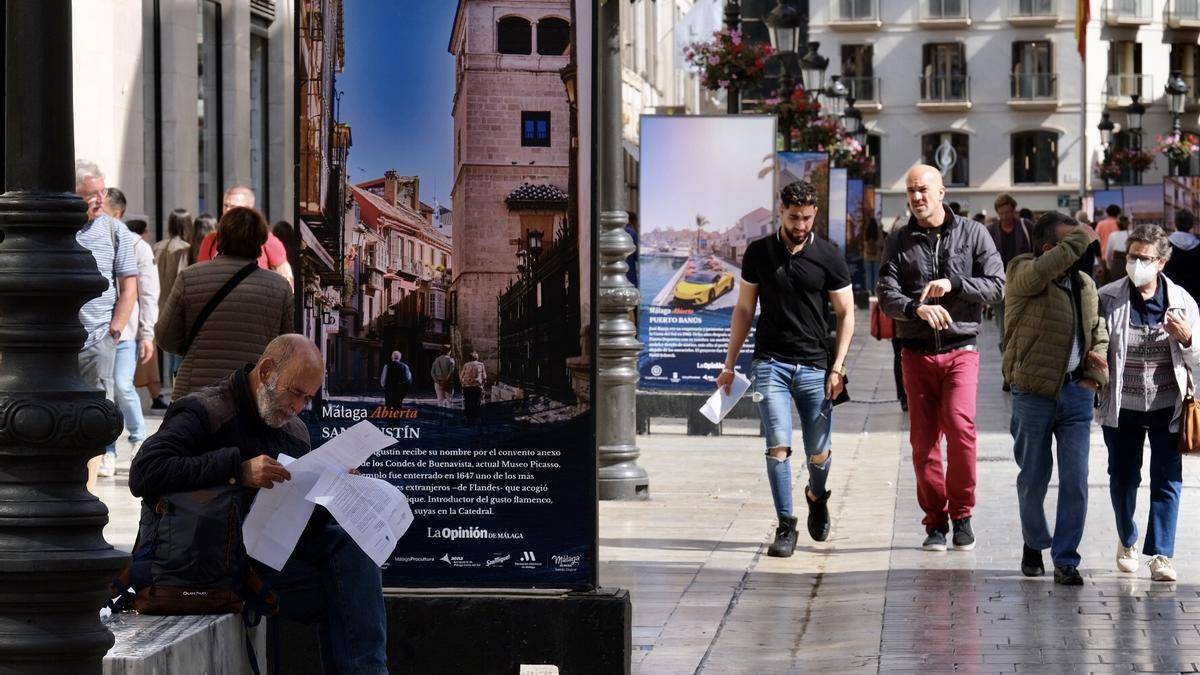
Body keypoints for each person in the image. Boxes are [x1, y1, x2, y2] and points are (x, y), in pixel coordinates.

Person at [128, 335, 389, 673]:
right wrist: (237, 471)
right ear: (267, 371)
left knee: (354, 550)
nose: (298, 407)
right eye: (295, 393)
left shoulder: (293, 431)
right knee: (341, 600)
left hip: (261, 554)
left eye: (307, 399)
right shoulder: (206, 410)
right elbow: (145, 472)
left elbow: (302, 519)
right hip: (199, 560)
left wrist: (334, 489)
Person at [717, 180, 854, 557]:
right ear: (781, 211)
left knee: (819, 451)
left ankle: (816, 495)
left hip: (815, 365)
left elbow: (846, 314)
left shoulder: (829, 256)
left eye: (807, 218)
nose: (800, 225)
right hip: (770, 363)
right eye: (794, 217)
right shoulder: (759, 252)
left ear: (815, 215)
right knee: (778, 445)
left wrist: (838, 368)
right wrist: (729, 364)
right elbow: (744, 310)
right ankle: (785, 525)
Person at [877, 164, 1005, 552]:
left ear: (942, 191)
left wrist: (956, 284)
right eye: (911, 191)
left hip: (960, 347)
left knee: (960, 427)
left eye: (923, 190)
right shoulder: (898, 240)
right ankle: (935, 521)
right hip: (915, 351)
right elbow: (885, 291)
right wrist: (916, 308)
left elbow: (998, 285)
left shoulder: (974, 233)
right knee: (923, 441)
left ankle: (962, 513)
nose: (917, 197)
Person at [1003, 213, 1108, 585]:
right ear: (1050, 248)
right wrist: (1082, 235)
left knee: (1076, 479)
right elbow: (1038, 272)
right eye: (1069, 244)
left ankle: (1066, 559)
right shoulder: (1022, 270)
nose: (1077, 252)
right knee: (1033, 478)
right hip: (1032, 392)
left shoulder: (1083, 284)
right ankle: (1034, 542)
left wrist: (1095, 378)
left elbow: (1098, 331)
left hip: (1076, 393)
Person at [1098, 224, 1200, 583]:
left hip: (1167, 407)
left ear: (1161, 262)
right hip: (1122, 406)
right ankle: (1127, 539)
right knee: (1122, 478)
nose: (1136, 264)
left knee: (1167, 479)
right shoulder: (1108, 298)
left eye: (1144, 258)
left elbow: (1198, 359)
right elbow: (1096, 346)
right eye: (1132, 257)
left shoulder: (1182, 302)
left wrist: (1187, 339)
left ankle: (1161, 554)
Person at [156, 207, 293, 399]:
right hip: (251, 393)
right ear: (260, 241)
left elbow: (165, 338)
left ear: (219, 238)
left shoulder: (190, 277)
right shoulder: (280, 287)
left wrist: (196, 345)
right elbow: (287, 348)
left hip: (196, 392)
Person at [75, 161, 139, 491]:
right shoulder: (58, 226)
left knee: (95, 416)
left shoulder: (116, 232)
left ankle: (86, 491)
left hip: (99, 338)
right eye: (92, 194)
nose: (100, 199)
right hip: (56, 340)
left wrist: (114, 331)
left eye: (102, 191)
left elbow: (129, 285)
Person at [101, 210, 160, 478]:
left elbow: (147, 291)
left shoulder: (136, 246)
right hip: (96, 334)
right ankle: (108, 451)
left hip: (123, 333)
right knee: (104, 394)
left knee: (123, 386)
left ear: (115, 212)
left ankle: (138, 436)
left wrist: (147, 333)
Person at [194, 186, 293, 288]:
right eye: (225, 205)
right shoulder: (210, 240)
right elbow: (200, 277)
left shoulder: (267, 240)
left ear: (249, 210)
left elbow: (286, 281)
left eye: (233, 207)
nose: (227, 211)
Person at [153, 208, 194, 402]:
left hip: (158, 309)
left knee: (170, 354)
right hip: (178, 310)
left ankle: (173, 392)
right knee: (178, 357)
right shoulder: (185, 249)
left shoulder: (157, 247)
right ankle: (177, 395)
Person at [987, 194, 1033, 361]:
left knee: (1024, 326)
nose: (1005, 217)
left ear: (1014, 210)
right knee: (1003, 329)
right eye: (1001, 213)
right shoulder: (991, 231)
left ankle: (1020, 364)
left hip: (1024, 283)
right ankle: (1008, 367)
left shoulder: (1026, 226)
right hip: (1000, 285)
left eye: (1008, 212)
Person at [1164, 209, 1200, 302]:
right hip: (1195, 297)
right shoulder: (1198, 245)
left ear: (1175, 223)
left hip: (1171, 296)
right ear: (1191, 225)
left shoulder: (1165, 244)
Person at [460, 352, 487, 422]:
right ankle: (476, 417)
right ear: (477, 358)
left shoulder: (465, 365)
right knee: (477, 401)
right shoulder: (481, 365)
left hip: (467, 386)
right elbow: (484, 376)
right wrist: (483, 383)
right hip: (477, 386)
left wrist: (463, 383)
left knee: (468, 401)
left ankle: (468, 417)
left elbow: (461, 376)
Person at [862, 215, 885, 294]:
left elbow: (863, 243)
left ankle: (868, 291)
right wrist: (875, 244)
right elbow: (882, 243)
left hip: (867, 256)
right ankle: (875, 291)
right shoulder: (878, 231)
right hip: (877, 256)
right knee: (876, 274)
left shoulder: (866, 231)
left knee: (868, 274)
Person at [1106, 215, 1132, 282]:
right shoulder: (1132, 233)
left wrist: (1109, 267)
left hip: (1116, 264)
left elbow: (1108, 256)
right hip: (1130, 263)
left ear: (1117, 224)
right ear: (1128, 223)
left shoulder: (1113, 235)